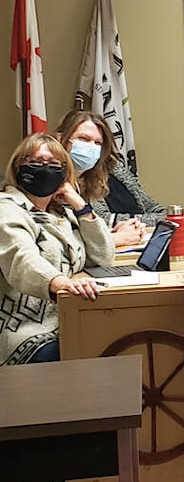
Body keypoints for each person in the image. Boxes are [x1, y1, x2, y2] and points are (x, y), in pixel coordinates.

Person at [0, 134, 114, 365]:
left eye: (53, 165)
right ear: (18, 167)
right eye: (35, 162)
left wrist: (80, 206)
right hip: (26, 331)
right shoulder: (7, 208)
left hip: (71, 318)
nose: (45, 169)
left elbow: (103, 257)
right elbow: (21, 258)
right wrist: (59, 282)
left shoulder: (62, 213)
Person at [55, 110, 146, 246]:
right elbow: (58, 244)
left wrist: (111, 233)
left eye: (97, 143)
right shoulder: (50, 179)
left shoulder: (87, 181)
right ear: (60, 139)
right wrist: (114, 240)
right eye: (83, 139)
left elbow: (81, 234)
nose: (91, 147)